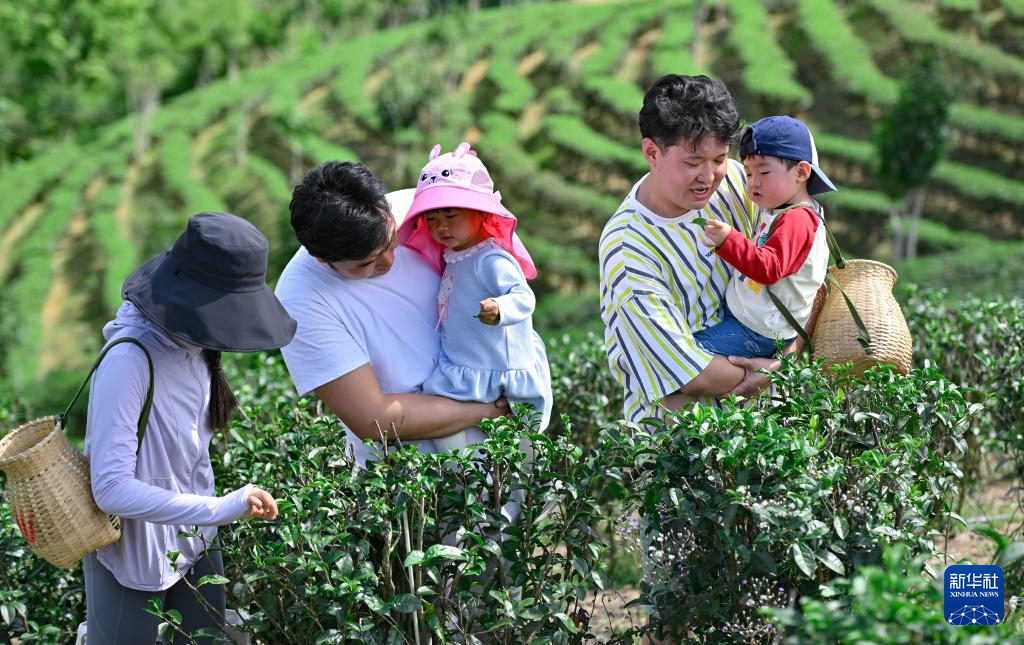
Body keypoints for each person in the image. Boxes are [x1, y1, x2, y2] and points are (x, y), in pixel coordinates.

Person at [84, 212, 297, 644]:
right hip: (134, 552)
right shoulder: (128, 360)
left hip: (195, 541)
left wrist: (213, 513)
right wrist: (219, 508)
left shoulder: (194, 344)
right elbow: (109, 488)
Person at [599, 74, 825, 424]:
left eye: (718, 159)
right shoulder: (628, 249)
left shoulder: (738, 181)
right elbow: (688, 371)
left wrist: (788, 354)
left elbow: (795, 270)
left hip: (762, 427)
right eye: (692, 163)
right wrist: (767, 374)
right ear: (651, 152)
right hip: (680, 447)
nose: (709, 176)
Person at [275, 161, 509, 465]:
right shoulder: (299, 299)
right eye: (365, 264)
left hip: (505, 441)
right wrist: (489, 409)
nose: (387, 262)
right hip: (415, 475)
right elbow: (372, 417)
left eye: (391, 242)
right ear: (322, 259)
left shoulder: (425, 208)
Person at [398, 142, 552, 451]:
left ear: (481, 213)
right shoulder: (455, 253)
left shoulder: (490, 258)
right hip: (463, 363)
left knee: (520, 444)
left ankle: (515, 495)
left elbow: (522, 296)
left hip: (494, 366)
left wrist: (500, 307)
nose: (440, 227)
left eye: (451, 215)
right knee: (441, 424)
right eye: (431, 219)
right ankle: (464, 479)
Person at [693, 116, 836, 359]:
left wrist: (728, 240)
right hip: (753, 318)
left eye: (765, 172)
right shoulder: (781, 207)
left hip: (759, 330)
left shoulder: (797, 219)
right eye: (748, 174)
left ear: (801, 172)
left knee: (687, 356)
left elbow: (768, 268)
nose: (753, 183)